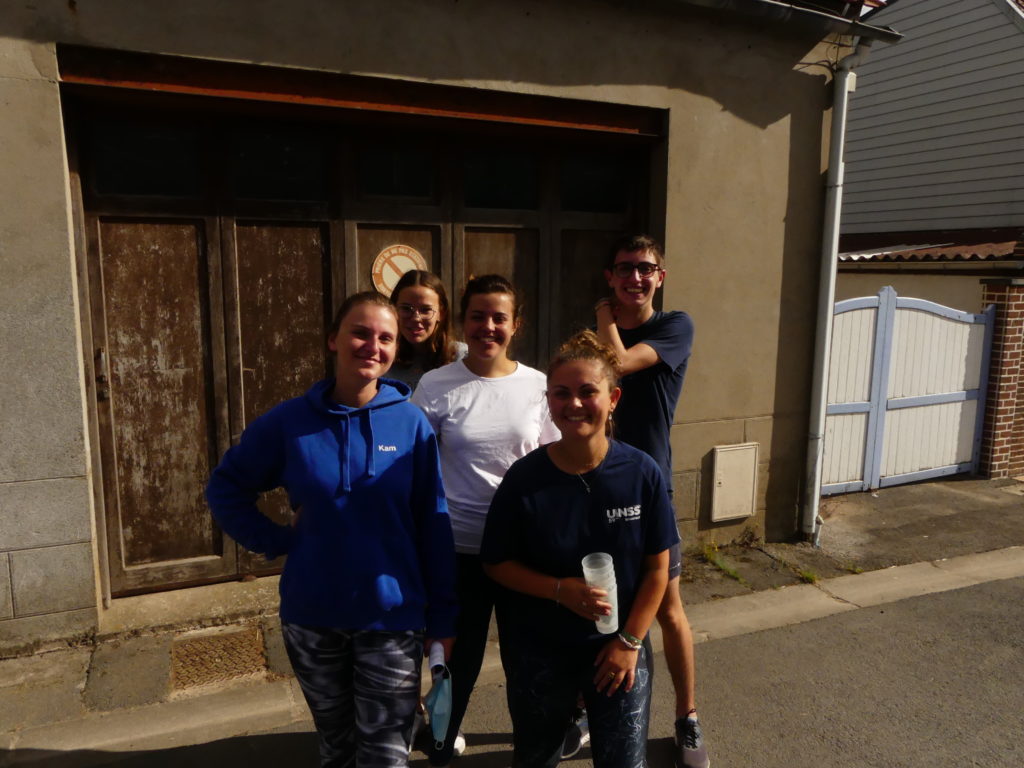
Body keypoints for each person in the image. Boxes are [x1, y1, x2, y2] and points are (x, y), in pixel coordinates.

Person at [206, 291, 457, 768]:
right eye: (360, 333)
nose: (373, 346)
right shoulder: (290, 423)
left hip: (391, 617)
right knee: (337, 749)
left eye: (386, 338)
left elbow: (434, 524)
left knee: (385, 756)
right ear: (332, 340)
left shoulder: (411, 425)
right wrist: (278, 540)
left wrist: (443, 619)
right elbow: (226, 488)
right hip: (312, 617)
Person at [481, 330, 678, 768]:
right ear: (548, 401)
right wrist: (559, 590)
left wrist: (630, 641)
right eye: (561, 393)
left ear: (613, 399)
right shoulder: (524, 479)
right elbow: (496, 564)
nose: (574, 404)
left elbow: (657, 570)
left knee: (623, 762)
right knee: (535, 759)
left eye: (588, 391)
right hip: (540, 648)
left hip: (619, 646)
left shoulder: (640, 472)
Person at [412, 274, 560, 767]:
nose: (488, 327)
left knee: (528, 660)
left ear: (517, 325)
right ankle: (439, 741)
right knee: (456, 661)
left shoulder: (538, 386)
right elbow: (413, 467)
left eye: (499, 317)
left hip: (523, 553)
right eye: (478, 316)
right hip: (458, 551)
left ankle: (535, 749)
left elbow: (554, 462)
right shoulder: (436, 385)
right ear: (463, 322)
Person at [587, 233, 709, 768]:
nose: (634, 277)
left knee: (668, 609)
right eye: (624, 268)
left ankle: (687, 717)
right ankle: (586, 709)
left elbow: (617, 362)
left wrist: (601, 314)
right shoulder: (599, 333)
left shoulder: (674, 326)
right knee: (599, 606)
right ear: (611, 276)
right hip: (598, 483)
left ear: (660, 276)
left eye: (644, 268)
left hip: (651, 484)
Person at [389, 269, 467, 389]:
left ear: (441, 313)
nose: (416, 318)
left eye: (425, 310)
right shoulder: (382, 358)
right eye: (406, 309)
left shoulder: (463, 358)